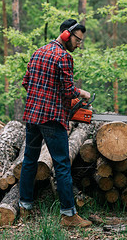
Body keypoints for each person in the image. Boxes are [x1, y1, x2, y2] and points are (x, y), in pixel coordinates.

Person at [19, 19, 92, 228]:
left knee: (29, 161)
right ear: (67, 35)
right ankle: (69, 215)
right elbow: (68, 91)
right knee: (61, 164)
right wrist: (82, 92)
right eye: (78, 39)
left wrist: (41, 98)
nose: (79, 44)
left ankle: (24, 207)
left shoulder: (38, 51)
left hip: (33, 116)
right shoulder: (63, 57)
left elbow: (26, 82)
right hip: (52, 119)